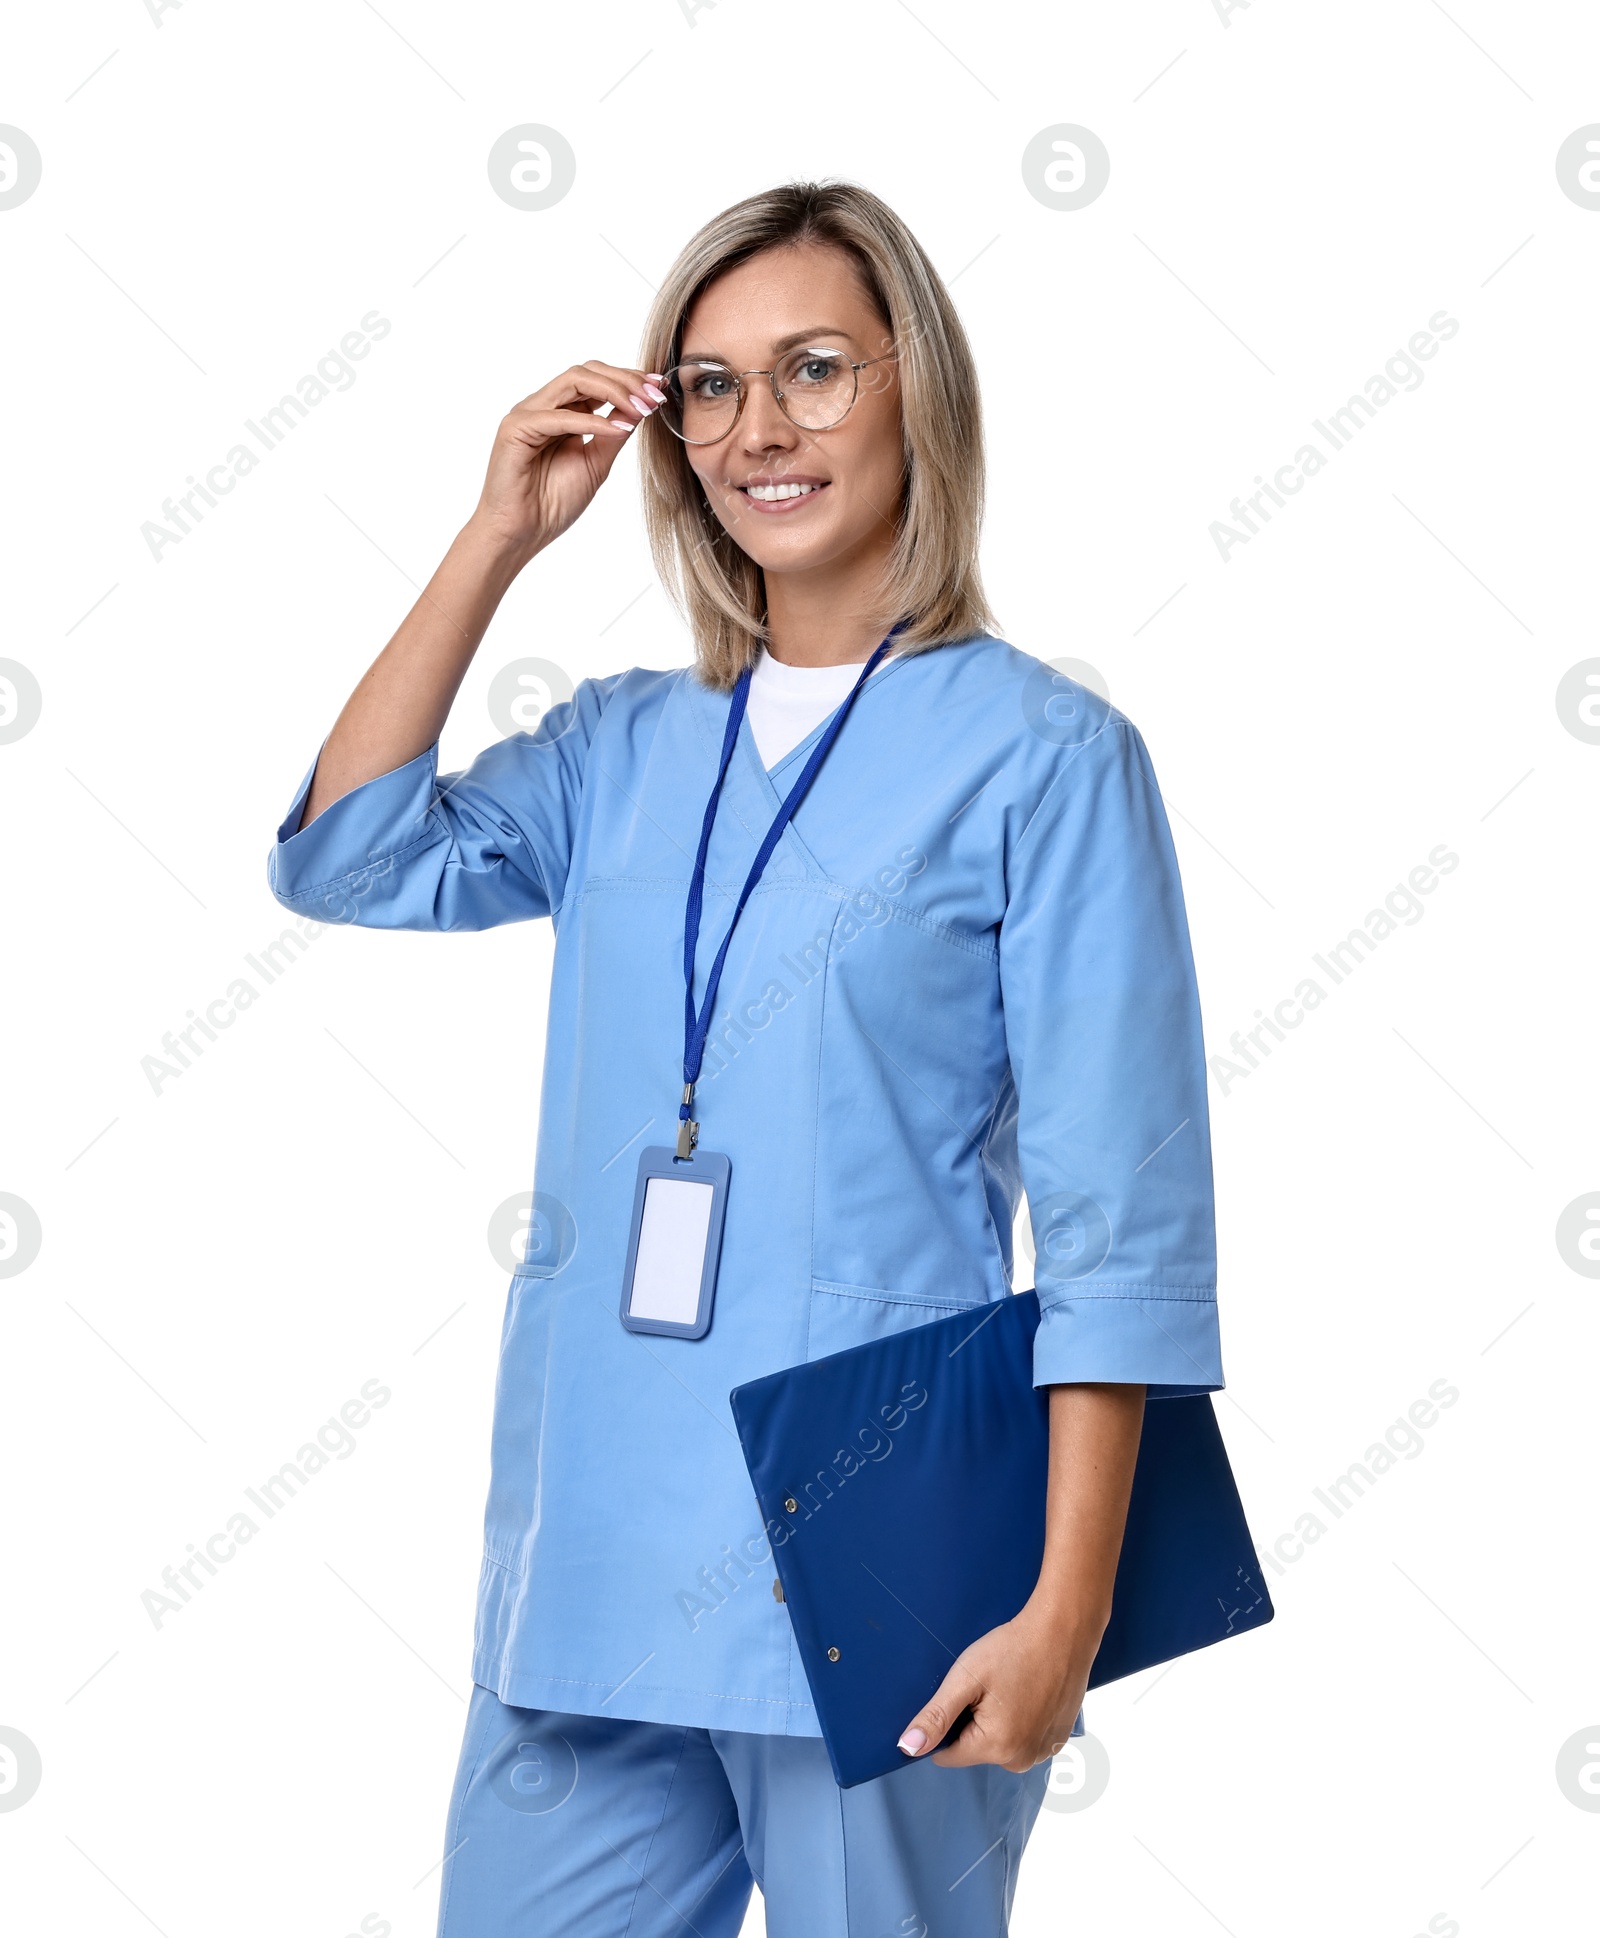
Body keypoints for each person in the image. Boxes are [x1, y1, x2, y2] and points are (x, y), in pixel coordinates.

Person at [268, 181, 1222, 1938]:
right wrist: (495, 536)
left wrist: (1071, 1601)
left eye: (812, 370)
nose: (757, 429)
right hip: (598, 1566)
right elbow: (348, 854)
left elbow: (1123, 1230)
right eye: (706, 386)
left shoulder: (1046, 758)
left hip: (891, 1566)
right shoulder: (621, 745)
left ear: (916, 390)